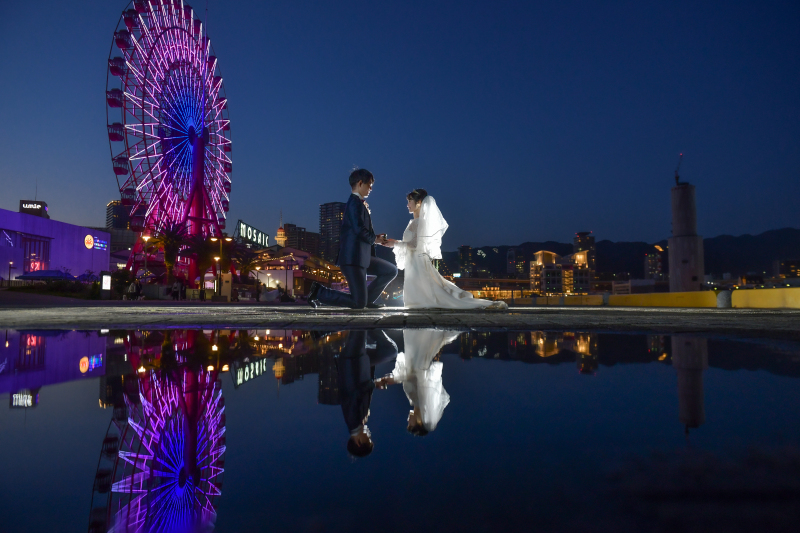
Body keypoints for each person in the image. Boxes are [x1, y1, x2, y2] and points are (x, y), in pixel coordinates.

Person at [384, 189, 507, 310]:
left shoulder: (419, 222)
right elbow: (413, 243)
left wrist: (396, 243)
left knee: (429, 296)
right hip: (414, 262)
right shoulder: (415, 222)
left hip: (417, 262)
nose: (407, 205)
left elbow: (415, 245)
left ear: (419, 203)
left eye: (410, 201)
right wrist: (396, 243)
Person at [307, 169, 397, 309]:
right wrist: (375, 239)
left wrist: (376, 237)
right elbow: (358, 230)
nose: (371, 188)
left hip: (363, 256)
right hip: (353, 260)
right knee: (357, 303)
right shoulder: (354, 203)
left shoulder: (359, 204)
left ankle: (367, 300)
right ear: (360, 183)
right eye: (369, 184)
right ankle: (319, 292)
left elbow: (360, 230)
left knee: (391, 271)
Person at [376, 330, 459, 435]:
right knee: (420, 334)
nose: (408, 421)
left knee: (414, 334)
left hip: (413, 358)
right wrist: (397, 378)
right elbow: (418, 377)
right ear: (419, 422)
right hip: (419, 360)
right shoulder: (422, 400)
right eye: (410, 424)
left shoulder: (414, 400)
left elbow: (410, 377)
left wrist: (395, 378)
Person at [338, 329, 398, 458]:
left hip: (352, 362)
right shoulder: (358, 422)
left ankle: (360, 309)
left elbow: (356, 392)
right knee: (390, 351)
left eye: (368, 438)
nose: (370, 434)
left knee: (359, 327)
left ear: (359, 442)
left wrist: (375, 384)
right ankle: (370, 320)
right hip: (361, 365)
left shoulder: (353, 421)